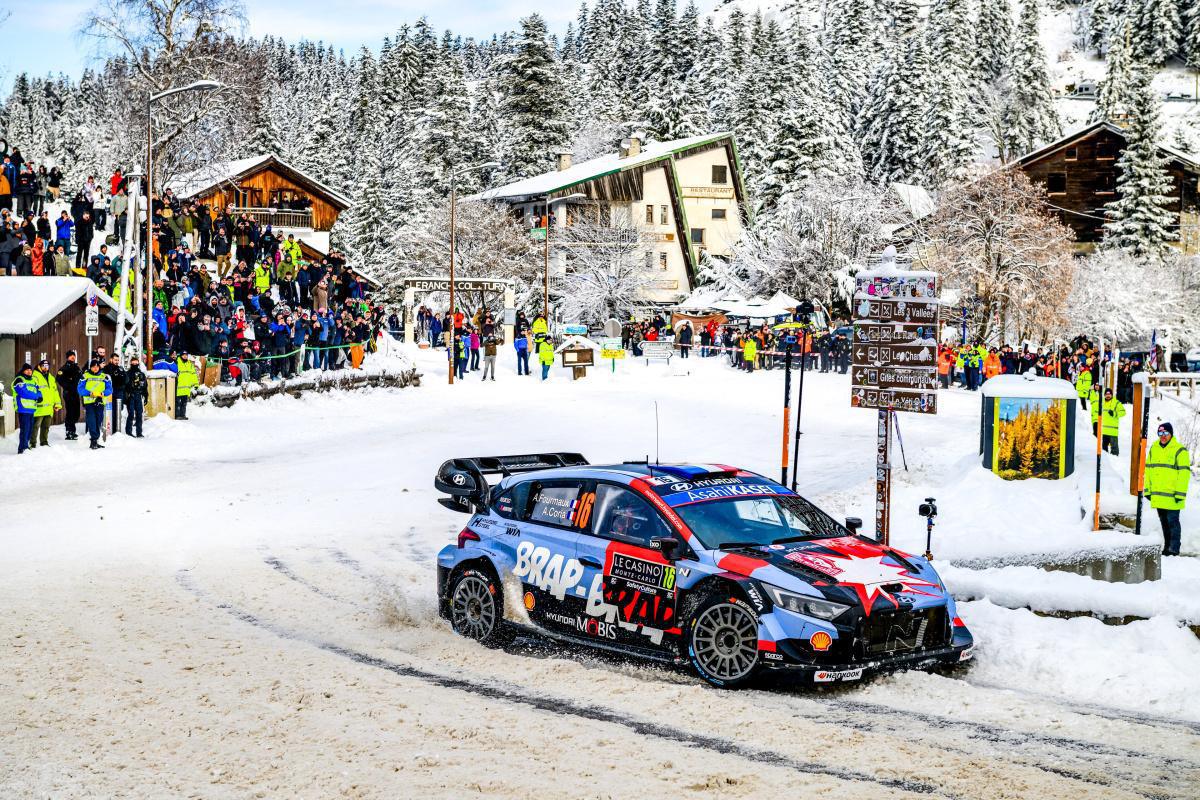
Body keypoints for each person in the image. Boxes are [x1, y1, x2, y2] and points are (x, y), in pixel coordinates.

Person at [1144, 422, 1190, 557]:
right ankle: (1167, 547)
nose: (1163, 436)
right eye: (1160, 433)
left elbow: (1184, 474)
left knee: (1173, 523)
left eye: (1165, 433)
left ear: (1171, 434)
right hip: (1158, 496)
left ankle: (1174, 548)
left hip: (1173, 496)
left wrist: (1180, 493)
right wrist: (1148, 490)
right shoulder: (1154, 448)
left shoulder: (1180, 450)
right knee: (1164, 523)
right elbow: (1148, 470)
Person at [78, 359, 112, 450]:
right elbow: (80, 389)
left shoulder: (104, 376)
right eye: (93, 366)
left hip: (100, 401)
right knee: (92, 420)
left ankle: (96, 440)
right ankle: (93, 440)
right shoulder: (85, 376)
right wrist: (89, 393)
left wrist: (103, 393)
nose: (95, 368)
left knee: (98, 420)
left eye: (97, 366)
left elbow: (110, 389)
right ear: (90, 367)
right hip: (90, 402)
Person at [29, 359, 61, 449]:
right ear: (39, 366)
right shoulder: (34, 376)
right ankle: (32, 444)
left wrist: (57, 404)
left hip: (49, 408)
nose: (46, 368)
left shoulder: (51, 377)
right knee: (35, 427)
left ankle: (44, 442)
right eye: (44, 366)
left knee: (46, 427)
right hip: (39, 408)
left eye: (47, 366)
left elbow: (55, 392)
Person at [11, 363, 41, 454]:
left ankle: (26, 447)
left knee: (30, 429)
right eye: (27, 370)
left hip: (31, 409)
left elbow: (39, 391)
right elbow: (23, 393)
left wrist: (39, 396)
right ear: (23, 371)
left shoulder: (33, 381)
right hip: (23, 408)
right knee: (25, 429)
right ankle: (22, 448)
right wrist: (36, 396)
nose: (29, 371)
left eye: (30, 370)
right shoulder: (19, 379)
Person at [1089, 387, 1125, 455]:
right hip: (1104, 431)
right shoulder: (1102, 403)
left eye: (1109, 394)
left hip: (1113, 431)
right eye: (1106, 394)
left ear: (1111, 395)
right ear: (1104, 395)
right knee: (1104, 449)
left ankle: (1116, 461)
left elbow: (1123, 412)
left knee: (1114, 449)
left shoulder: (1116, 403)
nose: (1108, 395)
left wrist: (1114, 414)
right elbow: (1094, 404)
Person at [56, 350, 83, 440]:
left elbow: (81, 378)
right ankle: (69, 432)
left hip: (76, 393)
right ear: (67, 357)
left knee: (76, 414)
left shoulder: (76, 367)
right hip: (68, 393)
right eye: (71, 356)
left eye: (74, 356)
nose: (73, 357)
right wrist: (68, 386)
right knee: (70, 413)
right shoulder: (64, 368)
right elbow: (59, 379)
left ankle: (72, 430)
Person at [103, 354, 127, 436]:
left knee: (118, 412)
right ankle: (110, 431)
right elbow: (105, 379)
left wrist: (121, 374)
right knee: (110, 412)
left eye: (117, 360)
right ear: (111, 360)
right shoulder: (106, 368)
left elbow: (126, 380)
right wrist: (114, 374)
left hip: (119, 393)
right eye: (115, 360)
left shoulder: (121, 368)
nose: (117, 361)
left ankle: (117, 431)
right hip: (110, 393)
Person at [124, 355, 148, 437]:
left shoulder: (141, 374)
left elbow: (145, 386)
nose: (135, 364)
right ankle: (128, 432)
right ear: (131, 363)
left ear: (138, 363)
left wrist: (146, 396)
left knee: (139, 414)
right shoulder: (127, 373)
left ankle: (139, 432)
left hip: (138, 395)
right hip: (130, 396)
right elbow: (125, 386)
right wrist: (126, 396)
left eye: (136, 362)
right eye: (133, 362)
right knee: (131, 414)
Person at [175, 352, 199, 419]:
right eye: (183, 355)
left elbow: (193, 375)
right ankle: (177, 415)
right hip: (178, 387)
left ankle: (183, 415)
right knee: (177, 403)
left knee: (184, 403)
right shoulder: (177, 362)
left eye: (186, 355)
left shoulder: (190, 364)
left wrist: (196, 384)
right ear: (181, 355)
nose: (185, 356)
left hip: (186, 388)